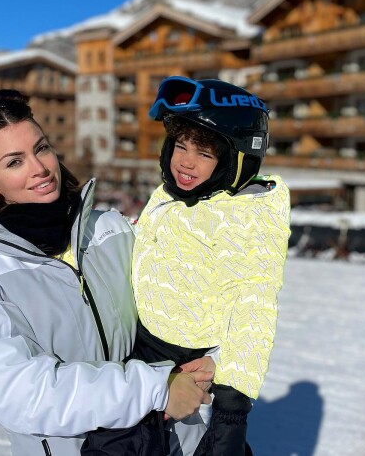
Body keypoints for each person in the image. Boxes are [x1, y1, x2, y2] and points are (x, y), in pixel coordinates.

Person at [0, 90, 212, 456]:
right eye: (14, 162)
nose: (39, 168)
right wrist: (156, 388)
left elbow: (192, 298)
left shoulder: (112, 229)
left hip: (174, 443)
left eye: (41, 149)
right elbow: (23, 394)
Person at [86, 77, 290, 456]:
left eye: (205, 153)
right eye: (181, 145)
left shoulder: (246, 217)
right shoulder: (172, 196)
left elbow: (253, 302)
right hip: (141, 344)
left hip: (187, 360)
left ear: (235, 160)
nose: (185, 161)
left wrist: (232, 406)